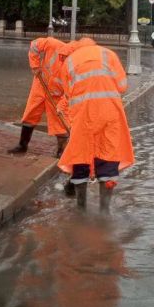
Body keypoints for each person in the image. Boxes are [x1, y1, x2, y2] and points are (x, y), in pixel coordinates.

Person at [57, 38, 134, 210]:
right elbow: (122, 86)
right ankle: (104, 211)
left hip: (83, 115)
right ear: (93, 44)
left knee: (80, 154)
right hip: (110, 113)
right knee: (108, 153)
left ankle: (81, 210)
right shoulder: (108, 54)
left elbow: (68, 94)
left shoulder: (69, 62)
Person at [8, 37, 70, 157]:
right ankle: (22, 146)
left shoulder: (73, 65)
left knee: (61, 121)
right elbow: (34, 45)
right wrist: (35, 66)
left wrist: (63, 103)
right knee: (30, 114)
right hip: (40, 85)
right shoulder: (52, 44)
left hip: (57, 95)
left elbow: (71, 90)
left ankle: (61, 152)